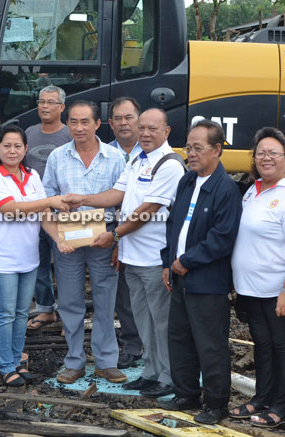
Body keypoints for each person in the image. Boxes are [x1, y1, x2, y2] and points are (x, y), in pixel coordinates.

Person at [65, 108, 184, 397]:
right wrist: (83, 200)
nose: (145, 133)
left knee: (161, 321)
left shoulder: (170, 165)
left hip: (155, 259)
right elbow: (117, 194)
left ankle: (168, 377)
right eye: (142, 127)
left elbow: (148, 210)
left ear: (166, 131)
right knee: (143, 320)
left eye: (152, 128)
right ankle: (150, 371)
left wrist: (115, 234)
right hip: (132, 256)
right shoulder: (136, 159)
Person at [229, 127, 285, 427]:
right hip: (252, 289)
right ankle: (262, 398)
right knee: (262, 346)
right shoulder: (253, 189)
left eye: (273, 153)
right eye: (260, 153)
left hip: (279, 289)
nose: (266, 158)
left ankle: (283, 406)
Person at [158, 119, 242, 425]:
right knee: (179, 337)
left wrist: (187, 260)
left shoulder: (226, 189)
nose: (190, 154)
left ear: (217, 149)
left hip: (207, 282)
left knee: (210, 343)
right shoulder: (187, 181)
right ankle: (187, 393)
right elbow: (173, 226)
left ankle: (216, 403)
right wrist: (168, 261)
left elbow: (222, 237)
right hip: (179, 275)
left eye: (197, 148)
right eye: (187, 147)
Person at [0, 125, 72, 386]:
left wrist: (59, 239)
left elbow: (44, 216)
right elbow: (10, 209)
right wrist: (50, 202)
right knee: (5, 313)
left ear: (26, 149)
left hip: (28, 257)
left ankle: (17, 361)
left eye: (17, 146)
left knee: (22, 313)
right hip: (1, 258)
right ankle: (6, 366)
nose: (12, 151)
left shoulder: (32, 175)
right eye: (7, 146)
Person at [43, 100, 128, 384]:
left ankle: (106, 361)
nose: (79, 128)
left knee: (106, 299)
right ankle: (75, 361)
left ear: (97, 124)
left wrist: (117, 240)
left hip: (104, 236)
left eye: (85, 122)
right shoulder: (57, 157)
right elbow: (47, 198)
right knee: (69, 301)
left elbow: (123, 202)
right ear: (67, 124)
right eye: (74, 122)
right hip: (69, 239)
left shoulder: (115, 158)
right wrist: (57, 234)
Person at [25, 85, 72, 331]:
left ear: (62, 107)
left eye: (51, 102)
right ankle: (45, 309)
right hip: (34, 210)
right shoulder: (29, 133)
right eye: (41, 101)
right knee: (38, 261)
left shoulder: (70, 135)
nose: (44, 106)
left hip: (64, 211)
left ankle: (68, 313)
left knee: (66, 264)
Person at [107, 96, 143, 369]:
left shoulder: (156, 155)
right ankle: (131, 344)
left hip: (147, 235)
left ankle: (153, 344)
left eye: (128, 117)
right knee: (123, 293)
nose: (123, 123)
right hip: (111, 231)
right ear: (110, 123)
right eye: (117, 118)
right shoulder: (104, 154)